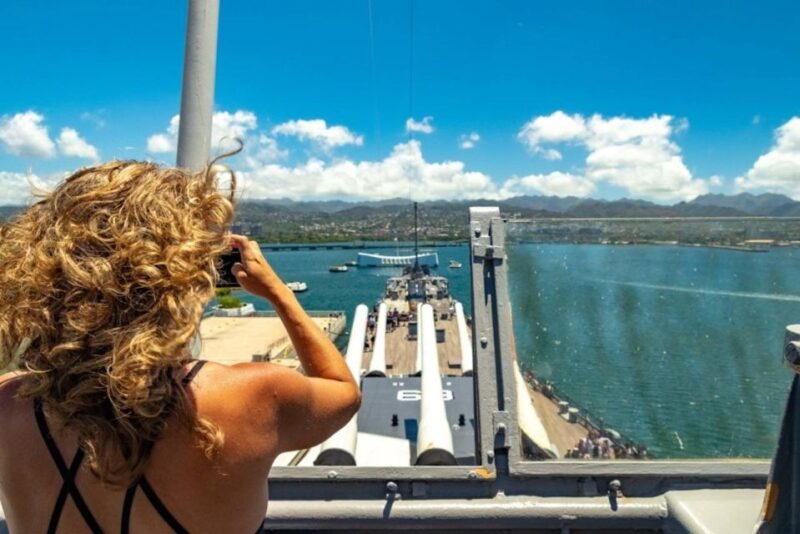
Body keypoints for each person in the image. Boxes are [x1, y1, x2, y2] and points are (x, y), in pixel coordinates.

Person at [0, 161, 361, 533]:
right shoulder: (249, 398)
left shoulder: (8, 405)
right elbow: (343, 391)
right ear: (184, 271)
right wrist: (277, 292)